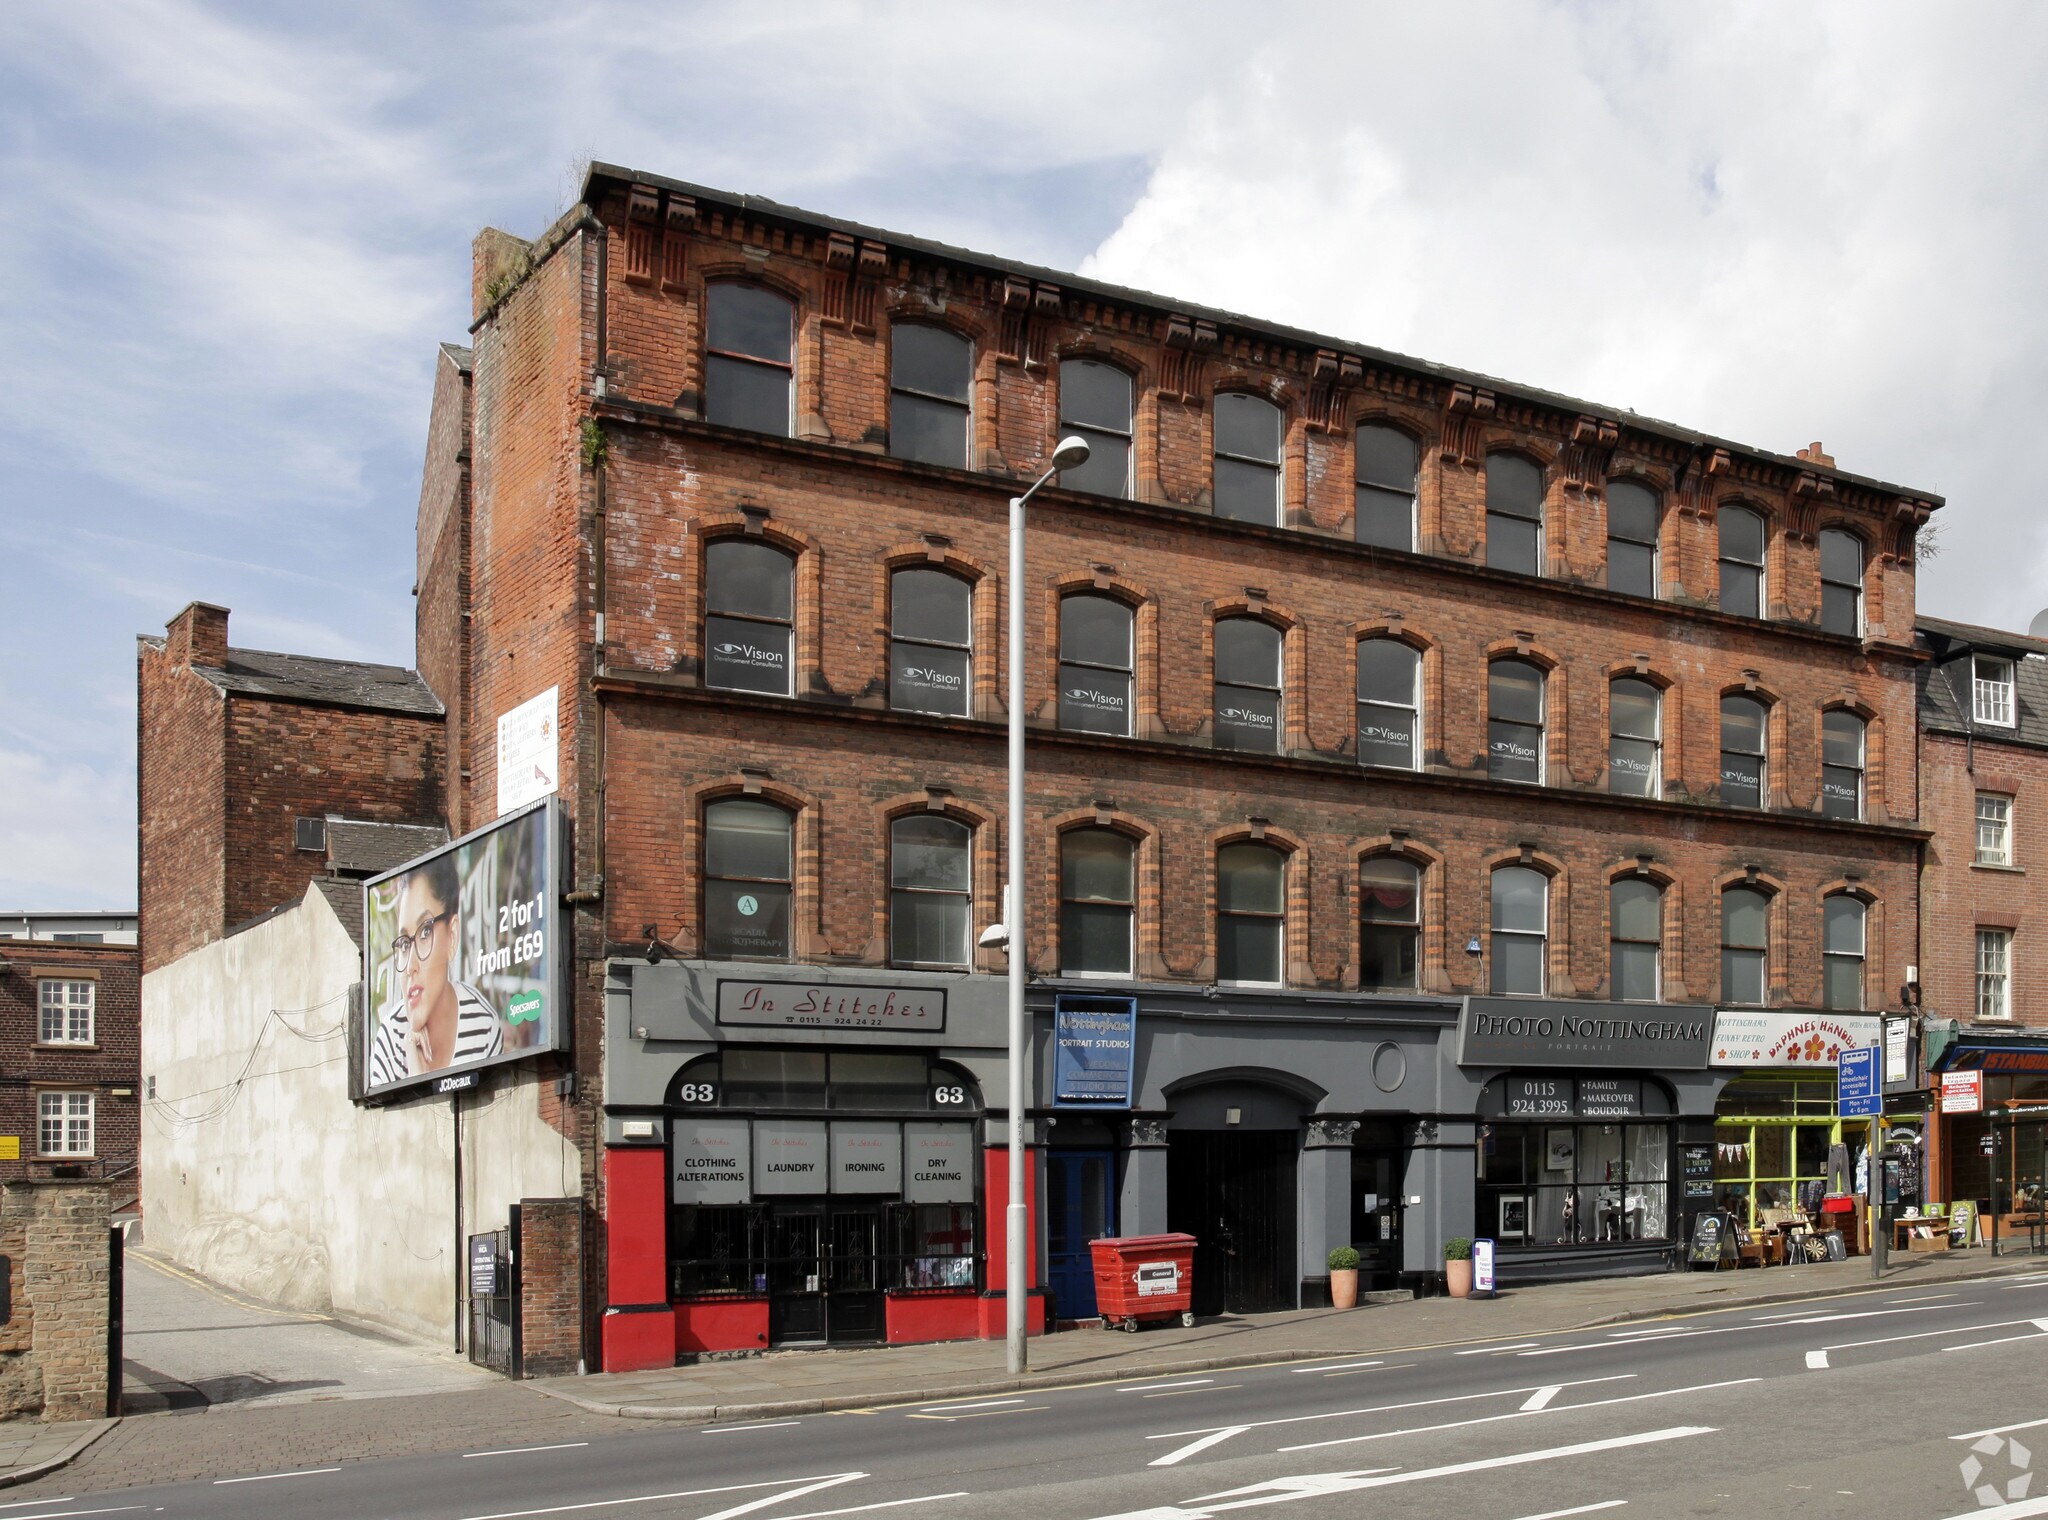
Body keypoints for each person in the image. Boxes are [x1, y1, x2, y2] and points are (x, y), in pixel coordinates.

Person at [368, 853, 503, 1086]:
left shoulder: (484, 1025)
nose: (410, 966)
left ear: (451, 937)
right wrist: (415, 1068)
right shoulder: (389, 1040)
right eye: (403, 943)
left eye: (425, 932)